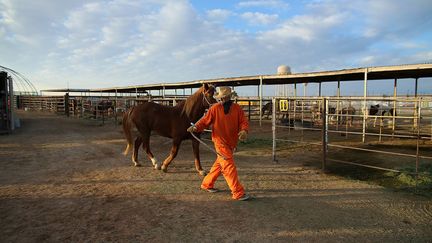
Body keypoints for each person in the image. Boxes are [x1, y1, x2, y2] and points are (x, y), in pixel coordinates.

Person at [187, 86, 250, 201]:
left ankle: (207, 184)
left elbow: (243, 122)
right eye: (220, 98)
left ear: (229, 97)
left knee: (219, 165)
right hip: (219, 142)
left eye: (224, 98)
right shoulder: (214, 108)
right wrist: (195, 127)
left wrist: (244, 131)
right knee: (228, 166)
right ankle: (238, 192)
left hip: (231, 143)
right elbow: (205, 121)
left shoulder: (237, 109)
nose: (222, 100)